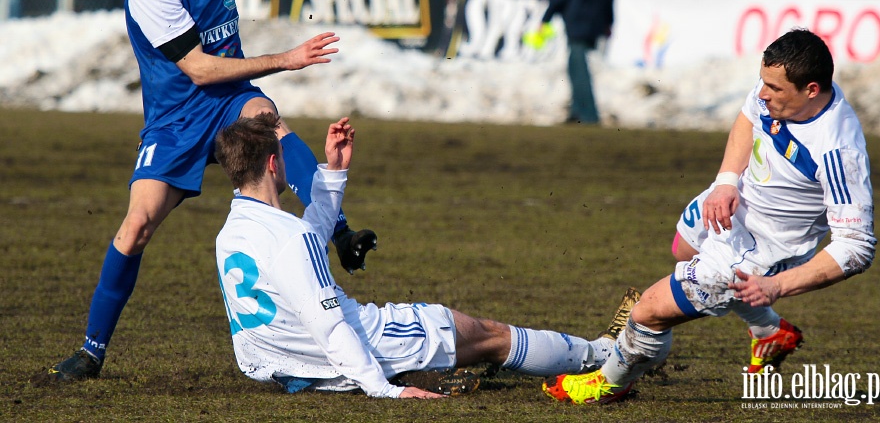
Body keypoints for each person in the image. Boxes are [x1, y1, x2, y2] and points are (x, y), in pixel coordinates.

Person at [47, 0, 377, 382]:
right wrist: (285, 59)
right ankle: (92, 352)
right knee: (136, 227)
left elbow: (221, 72)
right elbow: (199, 69)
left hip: (228, 101)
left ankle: (338, 233)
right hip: (175, 122)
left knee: (265, 116)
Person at [544, 28, 876, 405]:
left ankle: (608, 384)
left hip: (762, 248)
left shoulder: (838, 151)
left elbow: (857, 247)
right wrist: (726, 182)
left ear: (812, 90)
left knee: (649, 311)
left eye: (774, 88)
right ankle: (769, 331)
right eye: (762, 82)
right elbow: (746, 120)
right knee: (683, 248)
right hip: (736, 205)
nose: (763, 93)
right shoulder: (776, 94)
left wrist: (777, 286)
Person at [214, 112, 636, 398]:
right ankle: (603, 354)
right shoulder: (289, 236)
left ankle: (419, 368)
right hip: (359, 343)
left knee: (457, 344)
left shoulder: (231, 234)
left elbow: (306, 244)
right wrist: (385, 391)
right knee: (489, 335)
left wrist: (335, 171)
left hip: (285, 363)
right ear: (274, 164)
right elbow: (330, 325)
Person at [540, 0, 614, 125]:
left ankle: (589, 114)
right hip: (595, 19)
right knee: (574, 64)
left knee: (578, 65)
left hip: (576, 19)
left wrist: (545, 19)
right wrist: (609, 20)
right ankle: (576, 110)